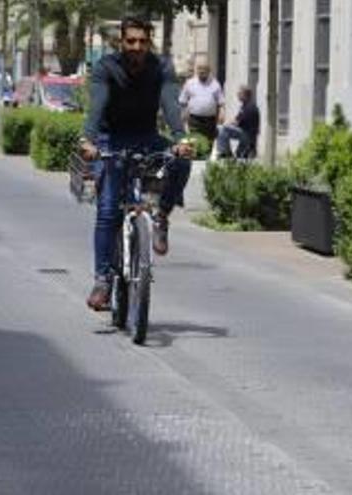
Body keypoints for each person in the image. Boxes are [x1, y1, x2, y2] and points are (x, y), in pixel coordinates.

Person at [79, 15, 193, 312]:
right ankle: (103, 280)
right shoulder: (106, 68)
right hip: (110, 140)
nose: (137, 47)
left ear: (149, 42)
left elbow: (170, 103)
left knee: (181, 161)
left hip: (146, 137)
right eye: (131, 41)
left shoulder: (162, 67)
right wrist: (88, 140)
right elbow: (97, 106)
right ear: (121, 41)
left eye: (142, 42)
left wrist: (180, 138)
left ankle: (162, 216)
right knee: (107, 210)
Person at [179, 61, 225, 144]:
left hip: (210, 120)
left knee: (209, 142)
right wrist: (183, 112)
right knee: (194, 142)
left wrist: (222, 112)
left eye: (204, 69)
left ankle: (206, 156)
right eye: (199, 69)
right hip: (194, 119)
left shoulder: (215, 84)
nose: (201, 71)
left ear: (209, 70)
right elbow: (183, 100)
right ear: (196, 70)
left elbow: (221, 101)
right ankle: (197, 156)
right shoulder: (190, 83)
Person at [215, 85, 260, 159]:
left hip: (247, 134)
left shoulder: (249, 107)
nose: (237, 96)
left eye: (239, 94)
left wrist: (227, 123)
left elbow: (237, 122)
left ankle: (224, 152)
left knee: (221, 128)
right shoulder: (246, 105)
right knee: (223, 128)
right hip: (246, 133)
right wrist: (229, 122)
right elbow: (237, 119)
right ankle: (226, 151)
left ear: (244, 94)